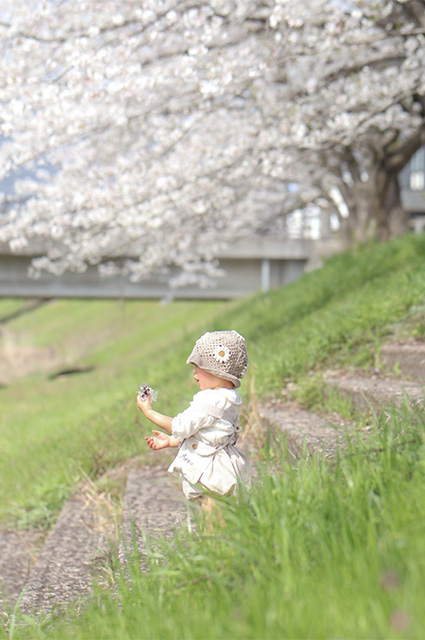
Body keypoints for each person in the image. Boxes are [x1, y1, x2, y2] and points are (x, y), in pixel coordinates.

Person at [136, 330, 250, 514]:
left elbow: (180, 426)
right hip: (220, 464)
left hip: (211, 470)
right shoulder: (227, 397)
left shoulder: (210, 401)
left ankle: (216, 542)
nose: (194, 372)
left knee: (213, 512)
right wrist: (170, 441)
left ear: (217, 370)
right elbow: (203, 434)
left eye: (199, 366)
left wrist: (148, 411)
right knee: (217, 512)